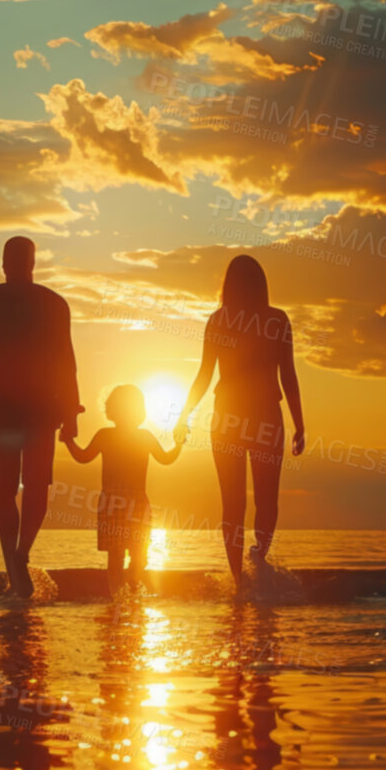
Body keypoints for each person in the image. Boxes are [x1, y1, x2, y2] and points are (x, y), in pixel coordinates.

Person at [0, 237, 82, 597]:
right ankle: (20, 558)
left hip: (5, 412)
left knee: (7, 493)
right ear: (33, 263)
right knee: (33, 489)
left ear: (5, 263)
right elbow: (66, 364)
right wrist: (70, 413)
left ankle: (16, 566)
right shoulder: (52, 303)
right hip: (35, 411)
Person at [173, 254, 305, 586]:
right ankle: (254, 565)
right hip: (258, 416)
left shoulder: (225, 320)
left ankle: (242, 577)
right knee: (261, 499)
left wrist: (183, 415)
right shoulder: (270, 319)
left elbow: (205, 375)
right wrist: (299, 423)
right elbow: (287, 375)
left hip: (233, 417)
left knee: (236, 501)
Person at [61, 384, 184, 595]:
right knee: (126, 557)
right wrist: (68, 441)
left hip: (121, 502)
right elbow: (166, 458)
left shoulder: (122, 436)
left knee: (128, 557)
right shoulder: (114, 436)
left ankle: (123, 596)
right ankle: (124, 597)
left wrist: (68, 441)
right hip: (123, 502)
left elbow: (82, 457)